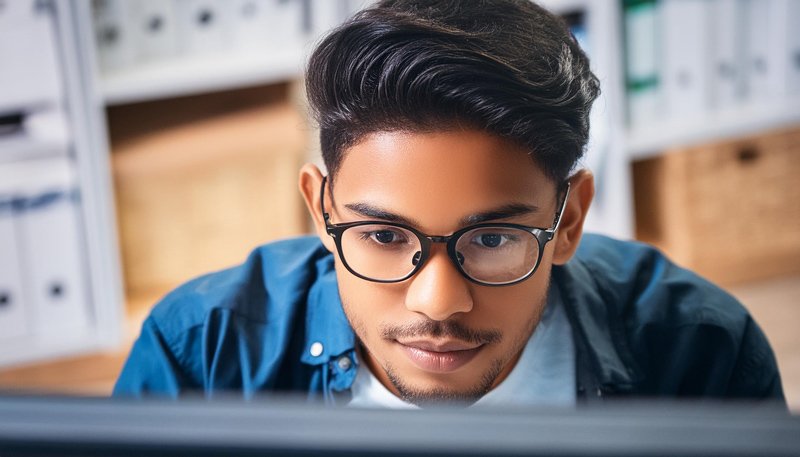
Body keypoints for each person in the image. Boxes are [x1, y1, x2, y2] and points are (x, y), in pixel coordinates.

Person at [113, 0, 784, 407]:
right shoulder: (199, 353)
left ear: (569, 218)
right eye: (382, 235)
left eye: (492, 239)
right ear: (322, 210)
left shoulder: (703, 351)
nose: (437, 302)